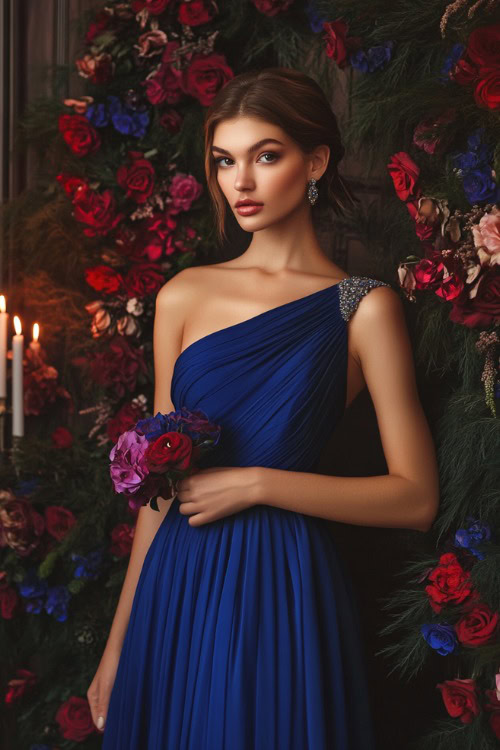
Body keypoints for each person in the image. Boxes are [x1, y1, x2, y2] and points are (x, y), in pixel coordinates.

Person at [89, 67, 440, 749]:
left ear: (315, 162)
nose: (240, 182)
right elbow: (158, 492)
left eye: (266, 156)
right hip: (177, 582)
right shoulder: (184, 296)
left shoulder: (363, 308)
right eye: (224, 160)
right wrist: (117, 645)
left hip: (279, 585)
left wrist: (258, 484)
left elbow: (416, 497)